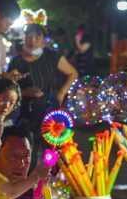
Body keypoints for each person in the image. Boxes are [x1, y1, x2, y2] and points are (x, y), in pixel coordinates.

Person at [8, 23, 77, 166]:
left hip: (51, 113)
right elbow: (10, 88)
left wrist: (61, 93)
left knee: (52, 154)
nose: (32, 40)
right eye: (29, 35)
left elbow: (73, 73)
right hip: (26, 115)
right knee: (28, 154)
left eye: (37, 36)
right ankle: (30, 183)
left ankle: (49, 184)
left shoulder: (52, 57)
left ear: (44, 40)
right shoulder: (17, 61)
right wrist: (26, 92)